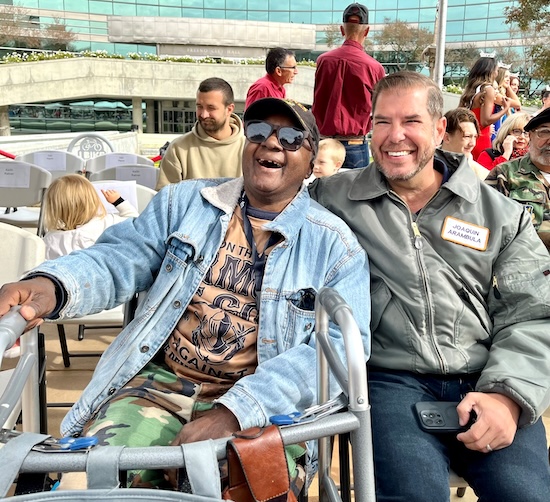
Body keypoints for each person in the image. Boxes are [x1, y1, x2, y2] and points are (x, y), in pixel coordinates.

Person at [0, 97, 371, 491]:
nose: (272, 143)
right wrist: (49, 286)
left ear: (312, 162)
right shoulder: (184, 203)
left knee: (234, 488)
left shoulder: (335, 247)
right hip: (159, 387)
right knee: (89, 484)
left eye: (292, 137)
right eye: (259, 131)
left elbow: (339, 352)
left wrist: (234, 412)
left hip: (264, 410)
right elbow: (120, 257)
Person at [310, 71, 550, 502]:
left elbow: (533, 312)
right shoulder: (334, 197)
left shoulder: (500, 214)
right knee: (412, 494)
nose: (394, 136)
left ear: (440, 129)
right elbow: (268, 200)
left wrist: (507, 398)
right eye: (382, 121)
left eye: (412, 121)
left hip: (488, 376)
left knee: (527, 495)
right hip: (389, 381)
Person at [311, 3, 385, 170]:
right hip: (355, 145)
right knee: (357, 194)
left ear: (342, 30)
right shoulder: (374, 68)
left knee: (320, 194)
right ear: (366, 31)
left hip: (324, 145)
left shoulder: (323, 61)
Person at [156, 77, 245, 190]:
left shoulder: (248, 148)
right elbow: (164, 199)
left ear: (229, 109)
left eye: (211, 108)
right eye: (199, 107)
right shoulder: (178, 148)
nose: (204, 114)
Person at [486, 107, 550, 251]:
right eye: (545, 132)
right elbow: (483, 225)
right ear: (530, 136)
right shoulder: (504, 174)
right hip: (521, 266)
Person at [42, 174, 139, 260]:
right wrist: (118, 201)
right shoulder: (107, 222)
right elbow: (135, 222)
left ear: (53, 208)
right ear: (93, 200)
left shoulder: (50, 239)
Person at [459, 56, 511, 161]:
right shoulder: (488, 89)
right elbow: (485, 121)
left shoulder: (471, 89)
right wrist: (505, 109)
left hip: (467, 137)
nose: (497, 73)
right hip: (481, 139)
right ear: (491, 71)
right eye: (496, 70)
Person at [441, 107, 489, 179]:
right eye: (467, 136)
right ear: (446, 137)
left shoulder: (482, 176)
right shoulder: (424, 165)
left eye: (475, 137)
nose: (472, 143)